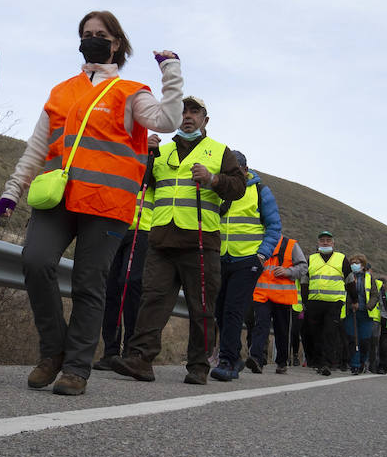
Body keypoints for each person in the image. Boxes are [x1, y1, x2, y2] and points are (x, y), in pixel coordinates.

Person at [0, 11, 181, 396]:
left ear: (116, 43)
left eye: (101, 34)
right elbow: (36, 148)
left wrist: (171, 73)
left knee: (88, 284)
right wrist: (13, 189)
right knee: (35, 260)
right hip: (58, 198)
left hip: (107, 204)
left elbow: (167, 121)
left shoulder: (132, 91)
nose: (92, 39)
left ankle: (76, 368)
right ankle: (54, 352)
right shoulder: (62, 91)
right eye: (86, 34)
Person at [110, 97, 243, 385]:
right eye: (183, 110)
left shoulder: (220, 151)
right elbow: (141, 183)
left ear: (205, 120)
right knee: (152, 300)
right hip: (161, 239)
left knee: (202, 307)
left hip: (200, 241)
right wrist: (144, 156)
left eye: (194, 111)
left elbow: (239, 188)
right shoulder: (162, 150)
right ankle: (141, 359)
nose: (187, 116)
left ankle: (198, 366)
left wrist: (213, 179)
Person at [209, 154, 282, 380]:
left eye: (236, 169)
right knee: (219, 310)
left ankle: (228, 360)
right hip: (220, 258)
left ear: (245, 169)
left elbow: (274, 226)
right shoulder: (220, 189)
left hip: (247, 260)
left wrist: (261, 255)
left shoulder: (260, 191)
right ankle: (235, 356)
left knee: (233, 309)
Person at [93, 133, 158, 371]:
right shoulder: (118, 150)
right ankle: (110, 351)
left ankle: (132, 350)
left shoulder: (153, 153)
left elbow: (151, 180)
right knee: (110, 289)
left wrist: (149, 151)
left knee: (130, 285)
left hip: (142, 229)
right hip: (113, 225)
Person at [246, 231, 307, 375]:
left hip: (282, 296)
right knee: (260, 326)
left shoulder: (291, 245)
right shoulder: (257, 242)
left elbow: (303, 267)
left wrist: (288, 271)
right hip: (261, 295)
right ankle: (256, 358)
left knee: (282, 330)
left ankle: (281, 362)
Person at [303, 229, 347, 377]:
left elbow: (350, 280)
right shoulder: (311, 258)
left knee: (329, 333)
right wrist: (305, 300)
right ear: (318, 243)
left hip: (334, 303)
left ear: (333, 243)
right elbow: (305, 280)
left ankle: (327, 363)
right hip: (314, 302)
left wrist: (352, 298)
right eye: (322, 240)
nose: (325, 242)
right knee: (315, 334)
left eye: (328, 240)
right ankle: (317, 362)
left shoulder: (341, 258)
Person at [343, 253, 379, 374]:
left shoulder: (369, 278)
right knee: (353, 339)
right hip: (350, 312)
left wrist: (369, 306)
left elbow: (375, 295)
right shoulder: (346, 277)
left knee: (364, 341)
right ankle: (355, 365)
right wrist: (350, 304)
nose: (354, 265)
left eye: (357, 263)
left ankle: (363, 361)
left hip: (366, 314)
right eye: (352, 263)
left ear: (363, 265)